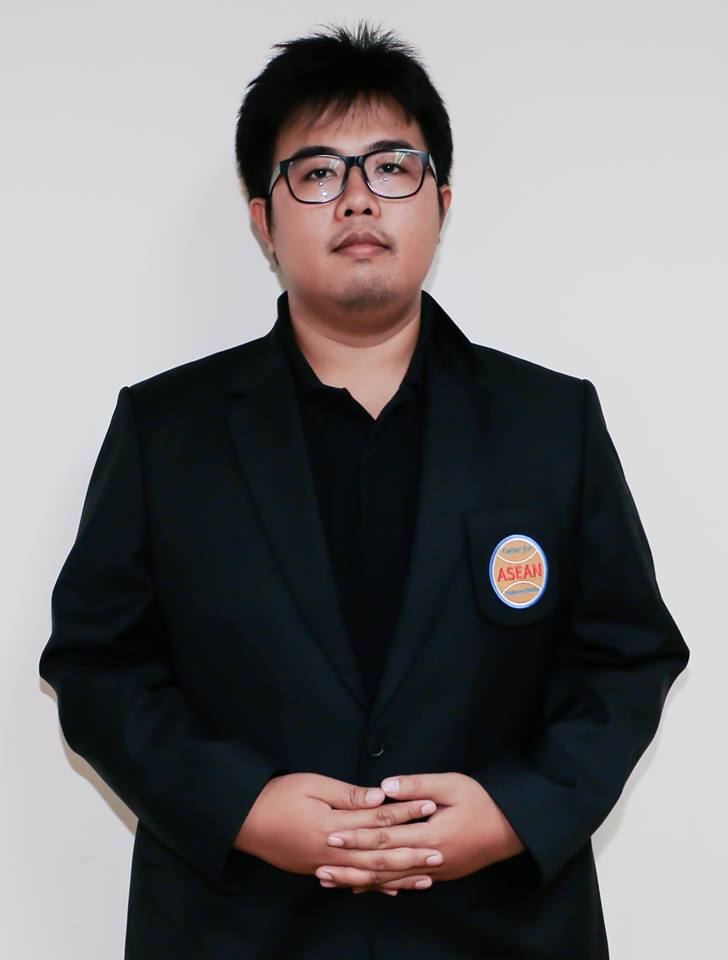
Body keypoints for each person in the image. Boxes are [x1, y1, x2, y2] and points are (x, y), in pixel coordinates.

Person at [39, 21, 689, 960]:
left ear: (441, 203)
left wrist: (514, 812)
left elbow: (627, 656)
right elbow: (97, 663)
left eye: (391, 167)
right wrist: (243, 807)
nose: (356, 198)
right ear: (263, 219)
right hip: (237, 927)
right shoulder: (165, 428)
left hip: (503, 926)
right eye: (316, 172)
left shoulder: (552, 421)